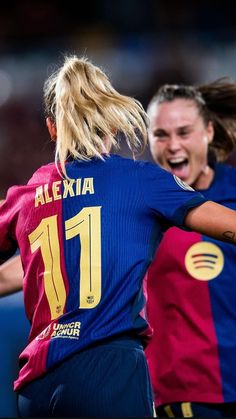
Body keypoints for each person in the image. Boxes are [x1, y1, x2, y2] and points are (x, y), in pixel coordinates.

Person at [1, 57, 236, 418]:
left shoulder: (25, 196)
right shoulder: (140, 182)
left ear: (51, 128)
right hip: (108, 371)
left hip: (36, 386)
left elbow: (9, 275)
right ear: (112, 121)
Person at [145, 80, 236, 418]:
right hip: (185, 396)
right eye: (161, 135)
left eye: (184, 132)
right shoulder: (139, 205)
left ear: (209, 132)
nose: (173, 146)